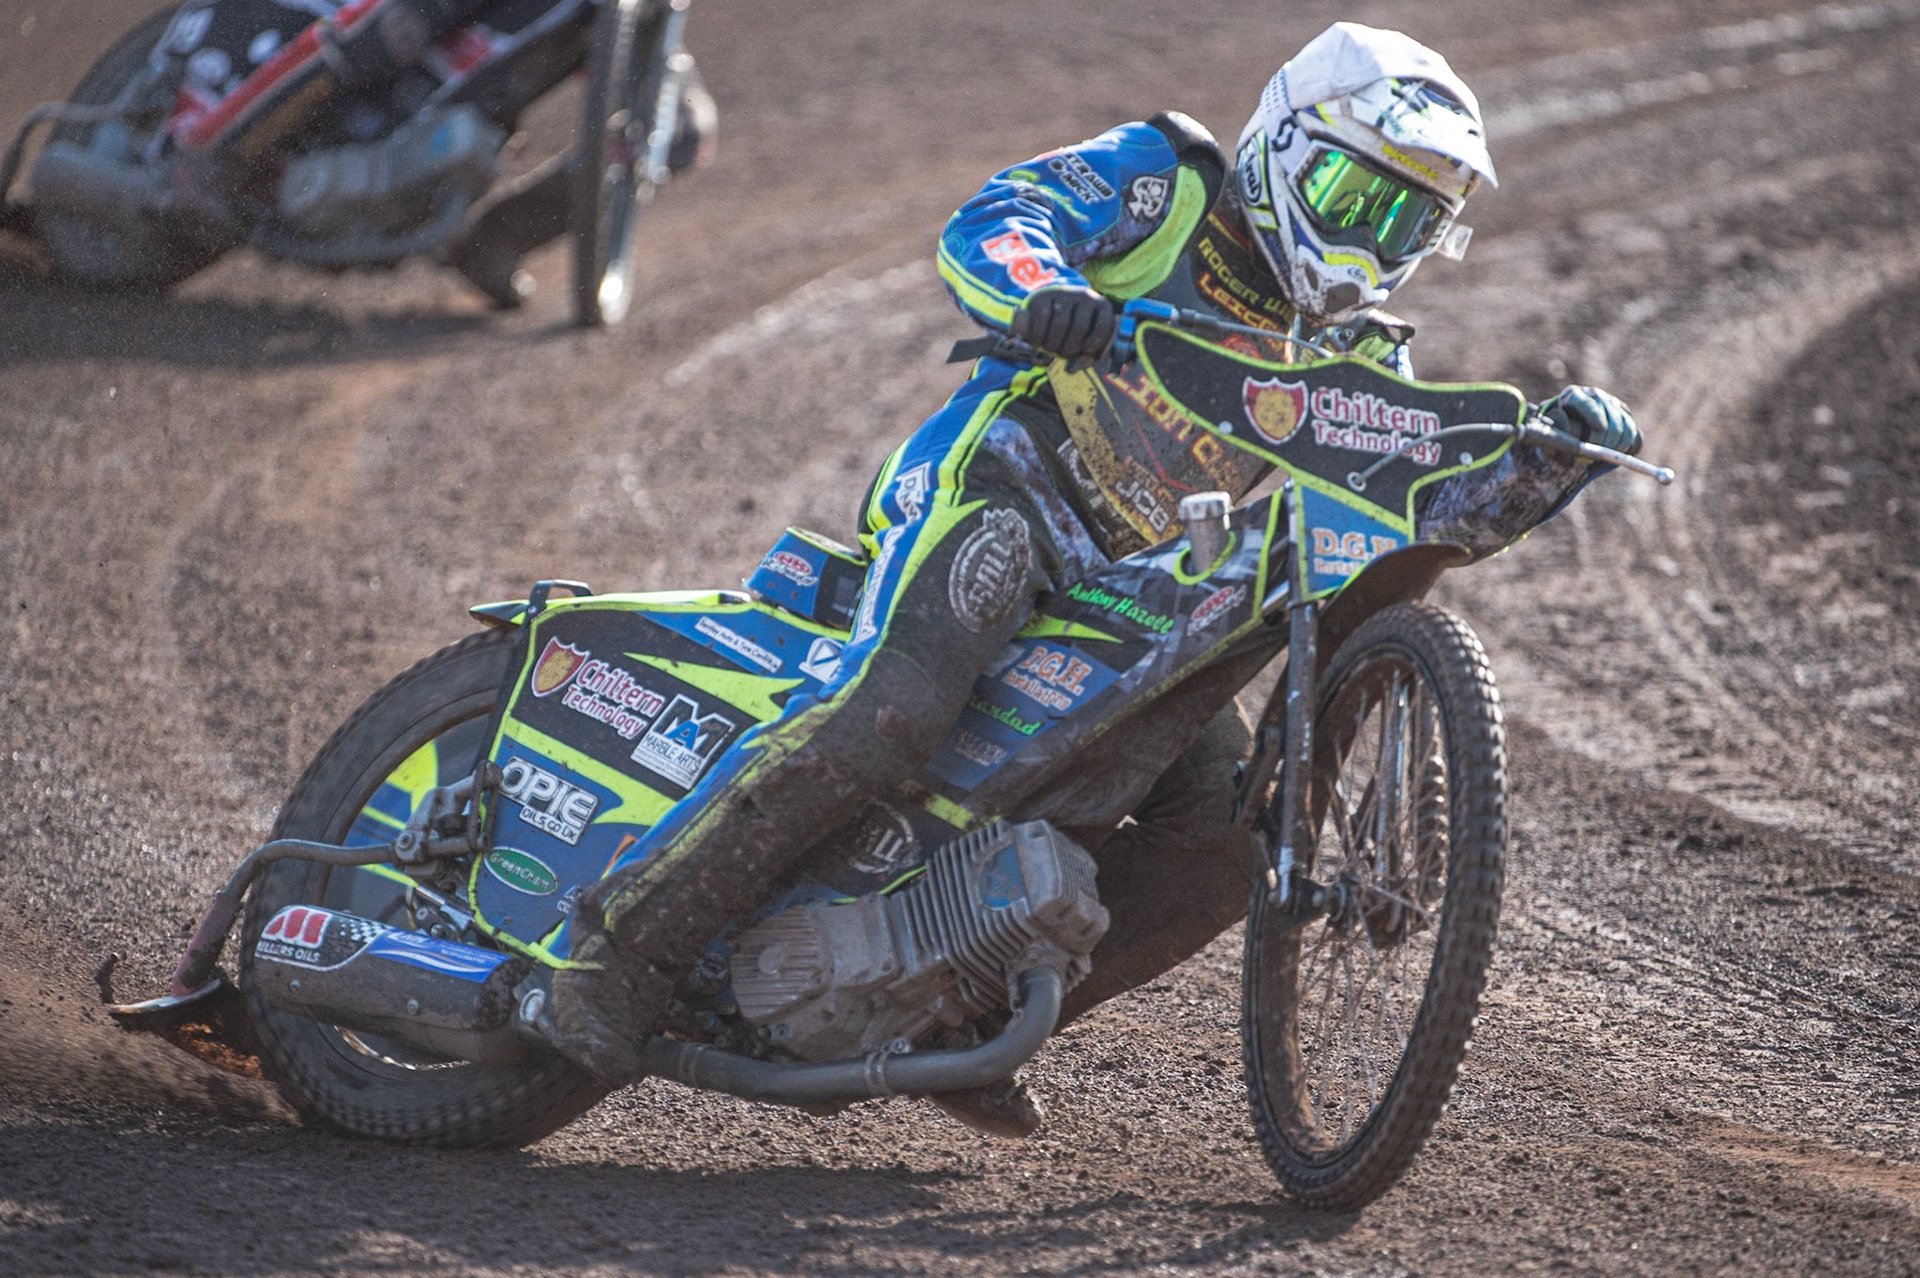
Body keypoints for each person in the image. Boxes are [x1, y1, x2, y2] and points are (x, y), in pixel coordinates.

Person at [550, 22, 1641, 1136]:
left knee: (1224, 842)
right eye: (1353, 197)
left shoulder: (1363, 358)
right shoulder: (1171, 179)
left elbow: (1412, 515)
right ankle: (617, 958)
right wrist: (1047, 291)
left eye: (1406, 222)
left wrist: (1544, 464)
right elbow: (999, 216)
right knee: (898, 705)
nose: (1368, 242)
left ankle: (963, 1027)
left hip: (1138, 591)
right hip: (1003, 490)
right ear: (1285, 142)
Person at [146, 0, 713, 305]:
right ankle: (216, 146)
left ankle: (493, 242)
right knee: (398, 24)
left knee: (681, 130)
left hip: (463, 95)